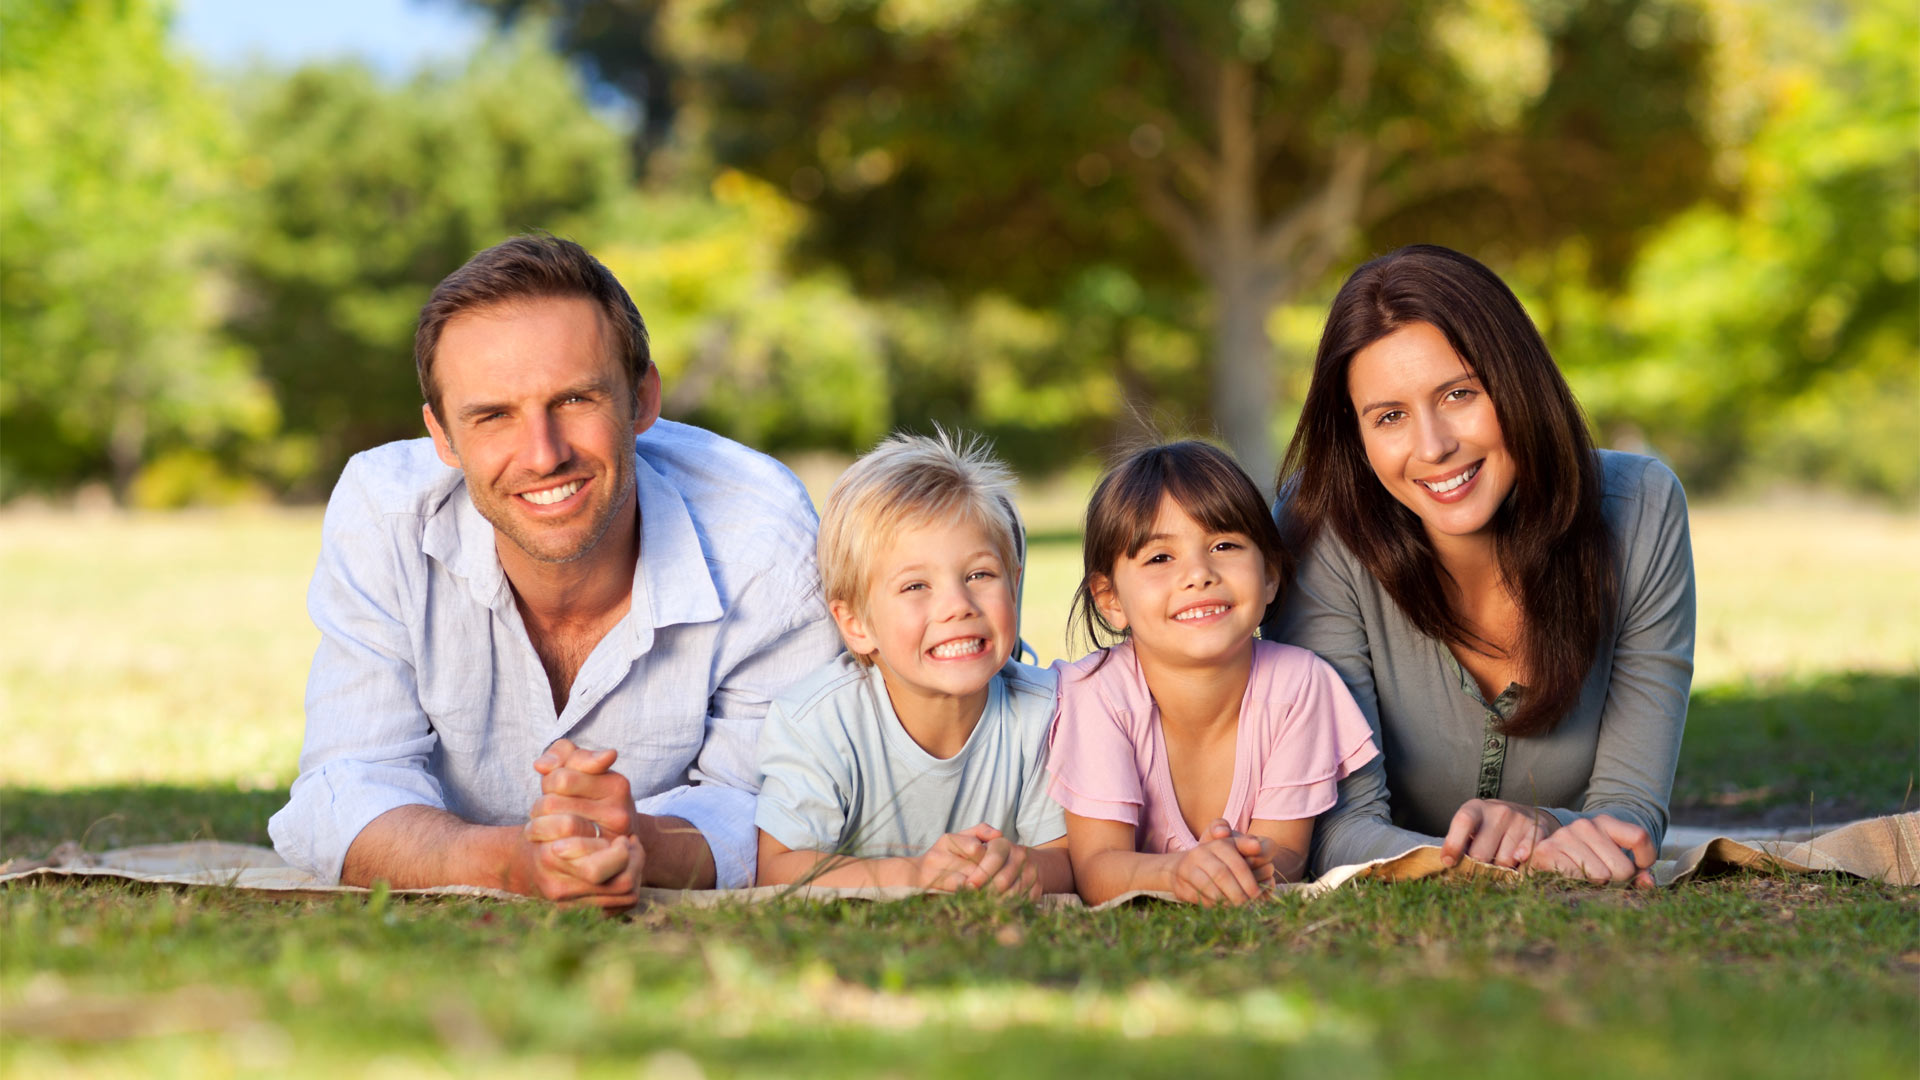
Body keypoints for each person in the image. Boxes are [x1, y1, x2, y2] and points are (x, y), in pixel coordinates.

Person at [267, 235, 842, 905]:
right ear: (443, 437)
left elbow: (782, 806)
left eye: (574, 400)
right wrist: (511, 861)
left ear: (643, 400)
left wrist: (645, 845)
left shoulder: (763, 533)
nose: (542, 456)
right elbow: (345, 785)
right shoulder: (383, 512)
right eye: (492, 415)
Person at [1267, 244, 1695, 888]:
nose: (1434, 446)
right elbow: (1333, 825)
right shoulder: (1317, 526)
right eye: (1389, 417)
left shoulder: (1641, 508)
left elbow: (1629, 809)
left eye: (1460, 393)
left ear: (1517, 381)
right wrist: (1478, 862)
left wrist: (1546, 827)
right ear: (1357, 437)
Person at [1046, 441, 1379, 906]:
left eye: (1224, 545)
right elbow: (1097, 870)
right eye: (1160, 558)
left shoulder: (1300, 685)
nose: (1199, 574)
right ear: (1110, 599)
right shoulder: (1095, 694)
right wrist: (1180, 873)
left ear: (1269, 576)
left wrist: (1249, 860)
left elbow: (1287, 856)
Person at [754, 431, 1072, 898]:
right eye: (915, 586)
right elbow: (780, 867)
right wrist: (915, 875)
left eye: (979, 575)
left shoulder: (1049, 711)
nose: (957, 605)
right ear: (856, 623)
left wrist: (1023, 868)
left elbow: (1068, 859)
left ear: (1014, 582)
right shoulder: (817, 722)